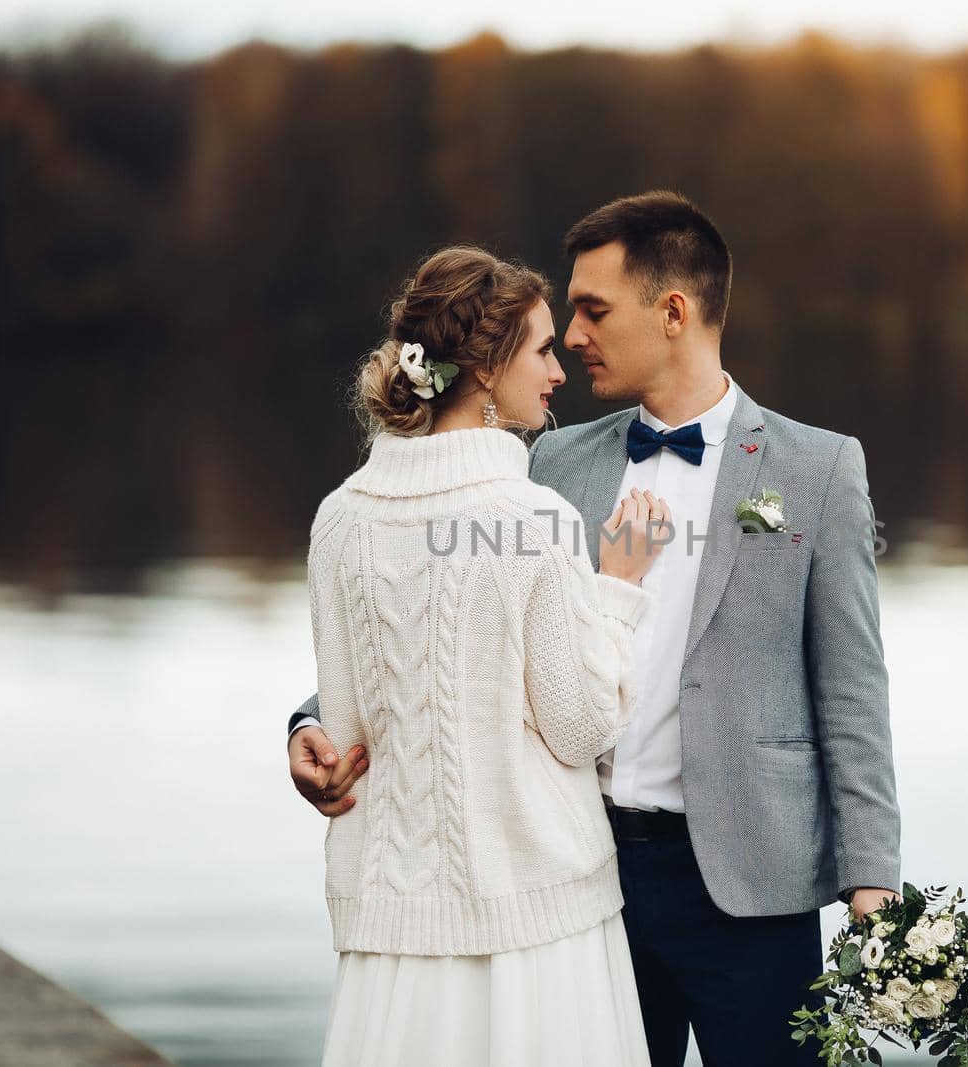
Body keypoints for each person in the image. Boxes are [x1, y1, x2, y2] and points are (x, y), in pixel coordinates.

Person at [291, 192, 902, 1067]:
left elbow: (853, 690)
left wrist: (872, 879)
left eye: (593, 310)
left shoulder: (818, 468)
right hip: (587, 877)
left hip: (755, 885)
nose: (573, 337)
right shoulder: (548, 461)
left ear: (675, 312)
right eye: (567, 315)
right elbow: (445, 621)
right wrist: (312, 719)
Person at [303, 244, 668, 1066]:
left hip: (392, 931)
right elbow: (582, 726)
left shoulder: (340, 518)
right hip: (534, 924)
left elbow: (349, 729)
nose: (558, 370)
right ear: (488, 365)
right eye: (542, 350)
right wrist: (619, 587)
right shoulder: (529, 520)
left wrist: (305, 738)